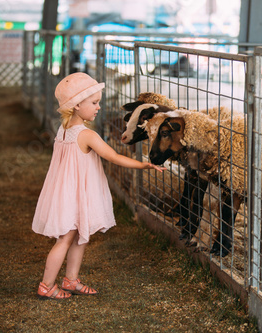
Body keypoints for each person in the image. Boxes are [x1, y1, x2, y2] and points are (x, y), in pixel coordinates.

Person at [32, 72, 166, 300]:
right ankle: (46, 285)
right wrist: (144, 165)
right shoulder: (86, 134)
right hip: (74, 194)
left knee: (79, 236)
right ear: (76, 105)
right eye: (94, 103)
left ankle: (71, 280)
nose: (98, 107)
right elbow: (113, 156)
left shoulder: (63, 129)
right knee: (65, 239)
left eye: (99, 102)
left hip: (68, 192)